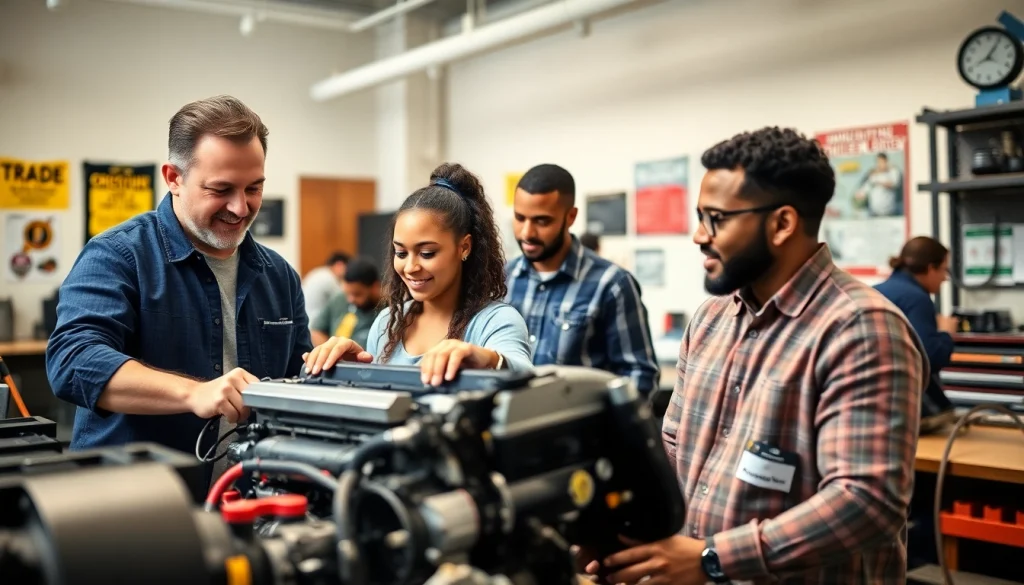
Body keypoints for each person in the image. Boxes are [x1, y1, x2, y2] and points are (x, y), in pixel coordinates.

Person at [582, 127, 926, 584]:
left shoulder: (860, 328)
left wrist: (712, 559)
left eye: (716, 218)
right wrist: (619, 532)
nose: (699, 236)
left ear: (782, 223)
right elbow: (672, 449)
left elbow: (866, 502)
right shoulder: (710, 320)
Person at [45, 95, 312, 470]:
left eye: (253, 188)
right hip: (140, 505)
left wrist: (331, 373)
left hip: (248, 500)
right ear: (174, 178)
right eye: (221, 190)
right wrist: (193, 393)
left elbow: (294, 384)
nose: (240, 207)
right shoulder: (118, 256)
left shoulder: (279, 275)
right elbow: (74, 362)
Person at [303, 163, 532, 385]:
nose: (411, 266)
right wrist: (350, 374)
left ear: (464, 247)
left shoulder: (495, 322)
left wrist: (486, 359)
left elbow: (525, 375)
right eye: (401, 253)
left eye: (427, 253)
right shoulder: (387, 324)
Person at [505, 164, 659, 396]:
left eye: (542, 221)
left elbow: (640, 377)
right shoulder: (502, 279)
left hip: (580, 430)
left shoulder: (612, 284)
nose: (526, 233)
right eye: (519, 218)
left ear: (571, 217)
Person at [875, 236, 957, 418]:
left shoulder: (874, 291)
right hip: (903, 406)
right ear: (930, 268)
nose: (944, 278)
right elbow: (930, 359)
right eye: (944, 270)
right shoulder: (917, 299)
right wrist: (946, 333)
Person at [310, 257, 383, 348]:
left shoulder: (388, 309)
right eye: (348, 293)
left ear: (375, 287)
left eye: (357, 294)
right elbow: (317, 331)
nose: (350, 299)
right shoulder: (340, 299)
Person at [302, 251, 349, 323]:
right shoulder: (329, 278)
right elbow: (344, 301)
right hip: (314, 324)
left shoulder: (318, 272)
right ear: (339, 265)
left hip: (305, 319)